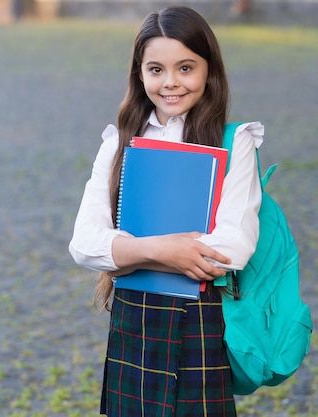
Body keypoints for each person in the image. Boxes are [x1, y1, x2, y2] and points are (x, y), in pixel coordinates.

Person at [69, 5, 264, 417]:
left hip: (203, 322)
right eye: (156, 69)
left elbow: (233, 246)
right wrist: (161, 250)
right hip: (135, 322)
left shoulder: (236, 142)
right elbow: (84, 243)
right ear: (139, 75)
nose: (171, 82)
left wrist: (127, 251)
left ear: (209, 70)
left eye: (186, 68)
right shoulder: (118, 143)